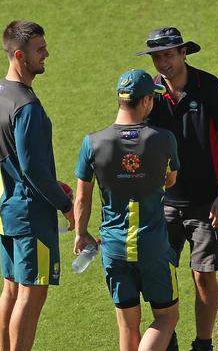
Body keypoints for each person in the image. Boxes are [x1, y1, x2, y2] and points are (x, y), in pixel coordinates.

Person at [137, 27, 218, 351]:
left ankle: (203, 344)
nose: (162, 63)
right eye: (157, 57)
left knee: (204, 276)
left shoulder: (209, 88)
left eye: (168, 54)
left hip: (206, 204)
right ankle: (168, 340)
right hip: (162, 204)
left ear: (183, 53)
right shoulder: (148, 94)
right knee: (159, 276)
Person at [0, 20, 75, 351]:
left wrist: (49, 180)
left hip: (4, 207)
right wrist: (66, 206)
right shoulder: (27, 107)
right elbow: (31, 166)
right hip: (29, 214)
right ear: (19, 55)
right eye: (40, 49)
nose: (46, 53)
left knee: (10, 289)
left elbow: (12, 159)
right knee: (31, 294)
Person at [73, 69, 181, 351]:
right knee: (167, 316)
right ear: (145, 101)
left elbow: (82, 198)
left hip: (114, 248)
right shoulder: (164, 139)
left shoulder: (92, 143)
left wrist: (81, 234)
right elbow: (171, 180)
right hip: (153, 246)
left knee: (127, 325)